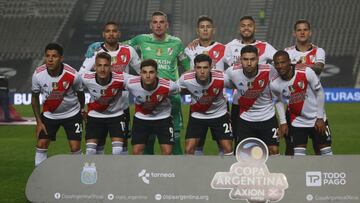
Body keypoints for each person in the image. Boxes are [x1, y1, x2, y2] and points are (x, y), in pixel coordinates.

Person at [125, 11, 190, 155]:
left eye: (161, 22)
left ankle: (176, 174)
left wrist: (178, 85)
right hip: (147, 96)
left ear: (167, 25)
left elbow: (188, 67)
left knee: (175, 139)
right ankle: (150, 175)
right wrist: (100, 45)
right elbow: (120, 48)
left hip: (171, 98)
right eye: (155, 22)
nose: (158, 25)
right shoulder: (141, 40)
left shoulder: (176, 42)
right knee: (148, 139)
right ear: (150, 25)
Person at [80, 21, 141, 155]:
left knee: (122, 147)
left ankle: (121, 173)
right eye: (108, 31)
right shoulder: (96, 52)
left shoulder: (128, 50)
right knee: (98, 146)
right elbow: (80, 76)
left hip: (121, 106)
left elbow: (141, 73)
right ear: (103, 34)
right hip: (99, 105)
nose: (111, 34)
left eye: (114, 31)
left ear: (119, 34)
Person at [224, 16, 277, 150]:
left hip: (261, 98)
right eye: (243, 25)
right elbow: (213, 53)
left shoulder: (264, 46)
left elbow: (280, 59)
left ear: (255, 28)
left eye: (249, 25)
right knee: (240, 143)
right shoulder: (230, 46)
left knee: (266, 144)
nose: (246, 28)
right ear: (239, 28)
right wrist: (198, 41)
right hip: (239, 103)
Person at [31, 43, 85, 166]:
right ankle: (40, 176)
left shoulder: (73, 75)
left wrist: (82, 109)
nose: (50, 59)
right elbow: (34, 98)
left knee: (75, 148)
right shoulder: (38, 74)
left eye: (54, 56)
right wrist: (39, 122)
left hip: (72, 114)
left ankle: (80, 175)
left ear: (61, 58)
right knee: (41, 145)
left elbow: (80, 94)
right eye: (47, 56)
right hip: (49, 115)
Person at [271, 50, 332, 156]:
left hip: (317, 119)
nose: (280, 66)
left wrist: (320, 117)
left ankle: (329, 172)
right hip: (297, 122)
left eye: (283, 62)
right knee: (298, 157)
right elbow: (278, 101)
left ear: (289, 62)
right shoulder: (274, 83)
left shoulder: (306, 72)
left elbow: (320, 92)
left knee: (326, 153)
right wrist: (283, 122)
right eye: (277, 63)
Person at [185, 15, 227, 155]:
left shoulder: (223, 48)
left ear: (213, 30)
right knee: (196, 145)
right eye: (202, 27)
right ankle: (198, 173)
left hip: (218, 103)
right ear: (197, 31)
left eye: (208, 27)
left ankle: (223, 173)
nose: (205, 30)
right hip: (197, 104)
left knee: (224, 145)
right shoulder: (189, 50)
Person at [284, 19, 326, 155]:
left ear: (310, 32)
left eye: (305, 29)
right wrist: (307, 65)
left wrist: (296, 65)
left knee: (320, 147)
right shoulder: (287, 52)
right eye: (299, 30)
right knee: (291, 148)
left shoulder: (318, 51)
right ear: (294, 33)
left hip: (314, 106)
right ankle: (290, 175)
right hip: (294, 107)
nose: (302, 32)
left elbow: (318, 68)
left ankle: (321, 174)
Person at [178, 54, 233, 155]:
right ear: (194, 68)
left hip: (219, 114)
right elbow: (173, 90)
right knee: (189, 149)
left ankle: (225, 170)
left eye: (205, 67)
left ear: (211, 68)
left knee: (227, 148)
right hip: (197, 115)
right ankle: (195, 170)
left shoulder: (222, 78)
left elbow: (236, 85)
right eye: (199, 68)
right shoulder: (185, 79)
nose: (202, 71)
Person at [125, 59, 179, 155]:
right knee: (136, 152)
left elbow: (180, 90)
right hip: (141, 118)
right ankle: (140, 170)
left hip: (163, 118)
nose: (148, 76)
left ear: (157, 73)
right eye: (144, 72)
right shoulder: (131, 84)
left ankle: (164, 170)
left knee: (167, 152)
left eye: (151, 72)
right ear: (140, 73)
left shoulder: (169, 85)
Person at [81, 52, 130, 155]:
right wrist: (80, 108)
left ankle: (115, 171)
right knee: (90, 151)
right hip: (95, 116)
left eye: (106, 65)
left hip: (116, 116)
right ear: (94, 67)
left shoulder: (122, 78)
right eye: (99, 65)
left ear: (111, 67)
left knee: (118, 151)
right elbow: (73, 85)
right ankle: (96, 170)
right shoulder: (85, 78)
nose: (102, 69)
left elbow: (140, 82)